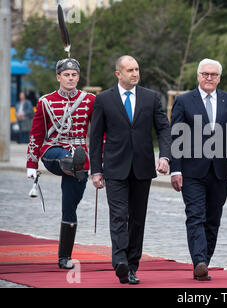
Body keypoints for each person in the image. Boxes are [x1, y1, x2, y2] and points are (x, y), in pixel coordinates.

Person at [89, 55, 171, 284]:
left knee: (137, 219)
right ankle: (120, 260)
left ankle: (132, 266)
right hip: (114, 169)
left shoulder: (151, 97)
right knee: (118, 216)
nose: (135, 73)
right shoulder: (104, 100)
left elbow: (164, 129)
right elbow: (95, 138)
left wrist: (164, 156)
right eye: (129, 70)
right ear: (118, 74)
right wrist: (96, 170)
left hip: (143, 168)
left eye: (137, 69)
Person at [170, 58, 227, 280]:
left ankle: (205, 261)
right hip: (192, 171)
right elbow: (176, 136)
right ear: (198, 76)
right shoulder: (184, 101)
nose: (209, 78)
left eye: (213, 74)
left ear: (219, 78)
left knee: (213, 218)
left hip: (220, 171)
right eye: (205, 74)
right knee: (195, 215)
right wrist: (176, 169)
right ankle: (199, 261)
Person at [26, 58, 95, 269]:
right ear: (58, 77)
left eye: (74, 75)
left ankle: (64, 257)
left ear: (78, 77)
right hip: (53, 152)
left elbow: (100, 131)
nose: (71, 78)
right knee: (63, 157)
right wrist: (31, 163)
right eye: (66, 74)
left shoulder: (89, 100)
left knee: (70, 207)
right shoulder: (45, 102)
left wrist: (102, 163)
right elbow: (37, 134)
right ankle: (71, 162)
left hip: (80, 155)